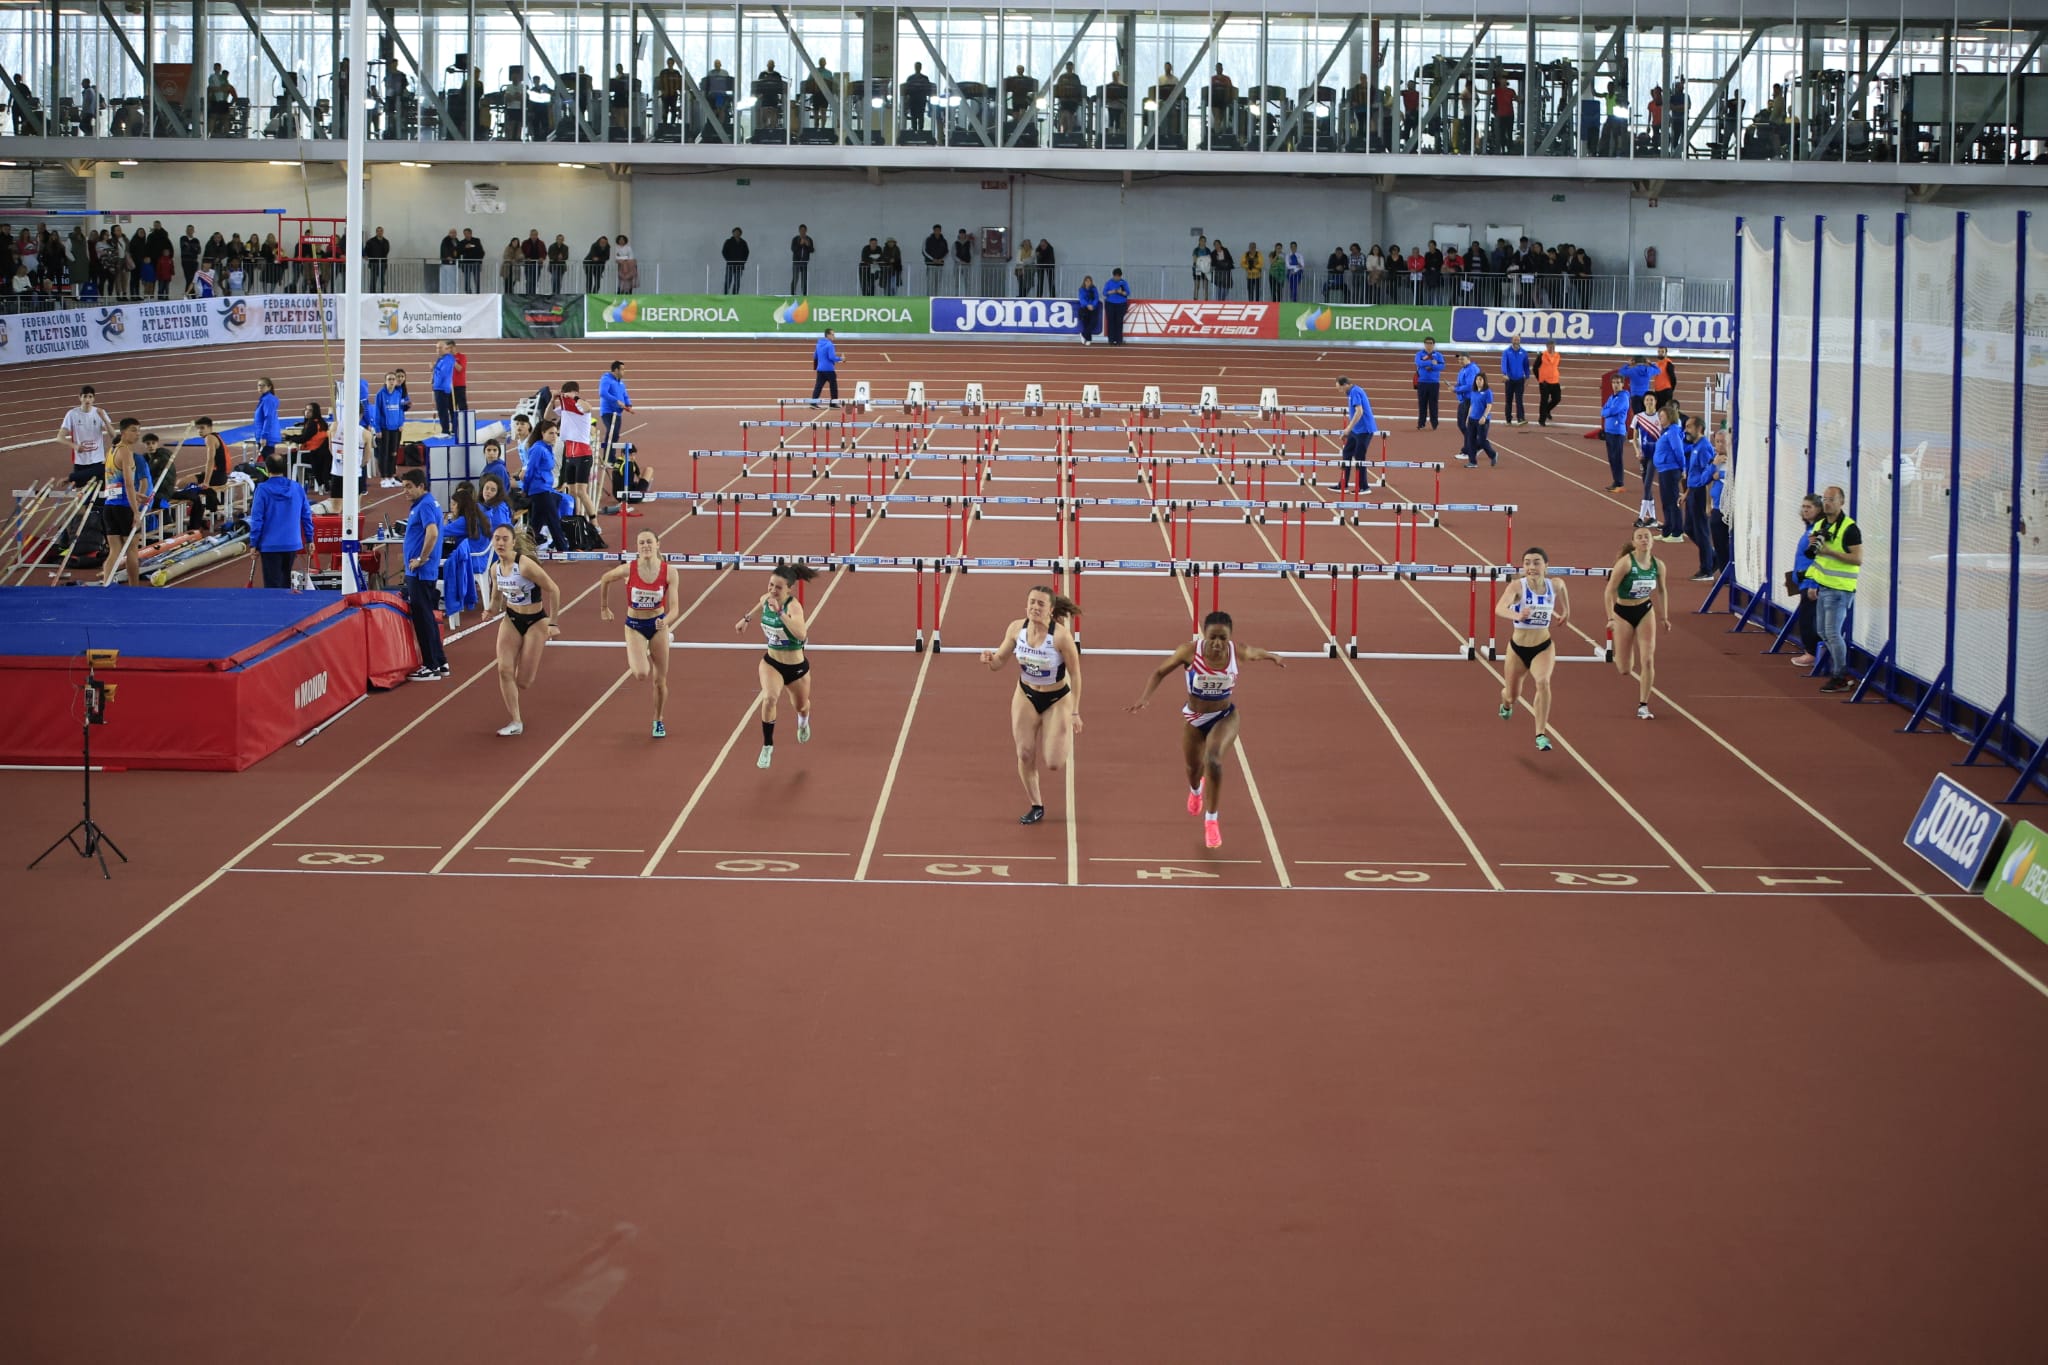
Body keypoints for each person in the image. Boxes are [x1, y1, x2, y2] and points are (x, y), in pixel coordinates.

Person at [1126, 611, 1286, 850]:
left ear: (1230, 637)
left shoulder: (1237, 652)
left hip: (1224, 716)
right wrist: (1145, 698)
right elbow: (1160, 672)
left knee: (1213, 760)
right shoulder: (1189, 652)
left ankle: (1211, 820)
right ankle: (1195, 790)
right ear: (1205, 635)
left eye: (1223, 638)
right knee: (1193, 768)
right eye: (1213, 637)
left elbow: (1256, 652)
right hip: (1194, 719)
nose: (1218, 643)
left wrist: (1273, 656)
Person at [979, 585, 1083, 826]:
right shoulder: (1016, 629)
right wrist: (989, 660)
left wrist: (1075, 711)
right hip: (1026, 694)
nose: (1035, 607)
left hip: (1057, 699)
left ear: (1051, 609)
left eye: (1041, 604)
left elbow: (1076, 675)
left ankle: (1061, 729)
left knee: (1054, 763)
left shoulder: (1061, 637)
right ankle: (1036, 805)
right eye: (1032, 602)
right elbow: (999, 661)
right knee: (1024, 753)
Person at [597, 528, 682, 736]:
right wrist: (604, 607)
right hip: (635, 626)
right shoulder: (629, 569)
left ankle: (658, 720)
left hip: (658, 626)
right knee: (641, 673)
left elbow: (675, 608)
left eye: (649, 542)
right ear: (637, 547)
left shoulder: (669, 572)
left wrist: (665, 621)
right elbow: (605, 578)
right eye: (641, 543)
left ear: (657, 544)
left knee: (660, 681)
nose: (645, 546)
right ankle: (641, 647)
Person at [735, 561, 819, 768]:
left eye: (778, 587)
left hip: (796, 668)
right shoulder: (767, 598)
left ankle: (803, 722)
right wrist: (746, 619)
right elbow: (760, 603)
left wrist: (780, 612)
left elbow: (801, 634)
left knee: (801, 706)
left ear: (789, 589)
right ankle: (767, 746)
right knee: (769, 698)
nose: (773, 590)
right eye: (771, 584)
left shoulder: (793, 606)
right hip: (772, 662)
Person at [1496, 546, 1567, 751]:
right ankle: (1506, 703)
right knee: (1512, 695)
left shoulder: (1554, 584)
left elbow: (1563, 589)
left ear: (1546, 566)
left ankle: (1540, 734)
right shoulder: (1517, 587)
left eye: (1536, 562)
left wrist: (1566, 611)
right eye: (1527, 563)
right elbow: (1499, 608)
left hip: (1543, 647)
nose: (1531, 567)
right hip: (1518, 649)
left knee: (1543, 682)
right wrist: (1517, 615)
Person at [1604, 525, 1671, 720]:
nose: (1644, 540)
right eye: (1640, 537)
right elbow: (1609, 591)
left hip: (1644, 610)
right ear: (1634, 543)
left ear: (1652, 541)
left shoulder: (1658, 565)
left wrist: (1664, 617)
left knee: (1648, 659)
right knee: (1624, 669)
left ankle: (1643, 704)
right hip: (1623, 612)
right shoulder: (1625, 563)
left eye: (1647, 536)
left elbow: (1662, 590)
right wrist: (1610, 617)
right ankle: (1624, 648)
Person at [1808, 483, 1862, 694]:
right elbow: (1816, 556)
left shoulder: (1850, 528)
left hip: (1840, 589)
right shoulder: (1821, 524)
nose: (1827, 503)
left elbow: (1857, 559)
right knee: (1823, 631)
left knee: (1831, 632)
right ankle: (1842, 672)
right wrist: (1813, 582)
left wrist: (1830, 552)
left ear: (1842, 502)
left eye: (1832, 500)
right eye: (1825, 499)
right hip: (1824, 586)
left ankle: (1840, 675)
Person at [400, 470, 449, 681]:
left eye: (409, 486)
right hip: (421, 572)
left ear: (421, 486)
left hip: (419, 572)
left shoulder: (426, 505)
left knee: (423, 619)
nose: (405, 491)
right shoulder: (426, 504)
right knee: (428, 617)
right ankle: (440, 661)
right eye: (404, 487)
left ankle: (430, 666)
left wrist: (421, 558)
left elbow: (433, 532)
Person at [247, 451, 314, 590]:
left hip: (270, 544)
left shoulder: (262, 489)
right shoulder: (296, 487)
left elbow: (257, 518)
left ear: (267, 468)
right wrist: (309, 539)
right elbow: (306, 515)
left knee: (272, 587)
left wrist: (254, 543)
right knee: (285, 583)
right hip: (291, 543)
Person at [98, 418, 147, 587]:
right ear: (123, 432)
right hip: (125, 508)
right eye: (133, 430)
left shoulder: (111, 452)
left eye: (138, 430)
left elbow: (114, 483)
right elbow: (128, 483)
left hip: (110, 506)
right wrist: (136, 511)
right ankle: (134, 589)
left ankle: (106, 585)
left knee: (115, 551)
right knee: (132, 550)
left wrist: (136, 495)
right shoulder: (126, 452)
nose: (137, 434)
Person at [1786, 492, 1825, 669]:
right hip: (1804, 580)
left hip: (1811, 582)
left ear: (1819, 509)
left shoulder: (1818, 531)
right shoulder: (1810, 528)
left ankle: (1811, 653)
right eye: (1803, 506)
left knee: (1808, 618)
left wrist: (1813, 584)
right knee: (1807, 616)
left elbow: (1819, 559)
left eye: (1809, 507)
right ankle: (1812, 652)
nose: (1805, 510)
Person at [552, 380, 597, 519]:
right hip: (570, 454)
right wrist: (553, 399)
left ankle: (594, 522)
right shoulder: (565, 408)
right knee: (571, 492)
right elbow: (550, 416)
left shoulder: (580, 406)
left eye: (568, 394)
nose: (565, 397)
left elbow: (589, 408)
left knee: (581, 492)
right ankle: (575, 519)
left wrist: (575, 397)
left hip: (583, 453)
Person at [1683, 416, 1721, 580]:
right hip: (1693, 491)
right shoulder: (1695, 446)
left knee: (1701, 531)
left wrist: (1708, 503)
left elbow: (1709, 476)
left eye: (1689, 427)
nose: (1686, 430)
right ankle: (1713, 557)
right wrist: (1686, 493)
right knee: (1688, 528)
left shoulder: (1704, 447)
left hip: (1700, 493)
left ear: (1699, 428)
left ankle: (1706, 569)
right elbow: (1695, 473)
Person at [522, 418, 566, 553]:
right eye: (551, 433)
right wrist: (525, 489)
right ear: (542, 433)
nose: (554, 436)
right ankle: (563, 551)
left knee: (536, 523)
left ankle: (525, 549)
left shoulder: (547, 448)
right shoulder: (538, 449)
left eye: (556, 433)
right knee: (554, 520)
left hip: (544, 488)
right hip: (540, 490)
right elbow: (530, 470)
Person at [1651, 409, 1690, 542]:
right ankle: (1667, 530)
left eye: (1662, 416)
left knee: (1672, 501)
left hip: (1670, 470)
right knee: (1666, 501)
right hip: (1664, 470)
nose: (1659, 418)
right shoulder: (1666, 431)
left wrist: (1683, 468)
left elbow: (1678, 450)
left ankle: (1677, 532)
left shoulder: (1673, 431)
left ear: (1670, 417)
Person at [1336, 375, 1378, 497]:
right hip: (1356, 430)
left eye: (1340, 388)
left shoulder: (1355, 392)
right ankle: (1343, 484)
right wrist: (1350, 431)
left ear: (1345, 385)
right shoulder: (1351, 392)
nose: (1339, 390)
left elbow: (1359, 412)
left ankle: (1364, 487)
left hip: (1365, 430)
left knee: (1359, 457)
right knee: (1347, 452)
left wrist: (1348, 429)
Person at [60, 384, 109, 487]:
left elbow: (113, 434)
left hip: (97, 460)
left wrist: (104, 418)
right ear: (80, 398)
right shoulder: (72, 414)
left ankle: (70, 478)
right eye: (85, 396)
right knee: (81, 490)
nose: (87, 399)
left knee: (97, 490)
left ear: (94, 398)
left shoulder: (100, 412)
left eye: (90, 396)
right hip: (80, 461)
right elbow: (60, 437)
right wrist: (75, 446)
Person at [370, 370, 407, 487]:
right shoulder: (380, 394)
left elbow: (401, 410)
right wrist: (377, 429)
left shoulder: (399, 393)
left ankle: (391, 477)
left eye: (393, 379)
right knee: (384, 454)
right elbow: (377, 412)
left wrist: (401, 423)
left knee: (393, 453)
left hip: (395, 428)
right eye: (389, 379)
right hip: (384, 428)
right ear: (385, 381)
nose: (391, 381)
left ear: (396, 381)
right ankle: (384, 478)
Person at [1599, 375, 1632, 493]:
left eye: (1618, 382)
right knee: (1612, 458)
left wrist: (1607, 411)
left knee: (1617, 458)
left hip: (1617, 432)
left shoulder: (1623, 398)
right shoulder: (1611, 397)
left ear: (1622, 384)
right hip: (1609, 431)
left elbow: (1613, 410)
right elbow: (1603, 411)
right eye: (1613, 383)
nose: (1616, 385)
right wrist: (1607, 411)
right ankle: (1616, 481)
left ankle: (1619, 483)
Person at [1461, 373, 1499, 468]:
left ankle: (1493, 455)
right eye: (1477, 379)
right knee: (1470, 441)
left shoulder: (1488, 392)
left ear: (1484, 381)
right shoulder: (1473, 391)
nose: (1478, 381)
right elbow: (1472, 405)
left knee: (1482, 441)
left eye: (1480, 379)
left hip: (1482, 420)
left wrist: (1484, 416)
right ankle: (1472, 462)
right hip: (1472, 419)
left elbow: (1489, 406)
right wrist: (1468, 417)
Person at [598, 358, 633, 449]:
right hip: (608, 412)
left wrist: (629, 405)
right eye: (622, 369)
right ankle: (608, 455)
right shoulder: (606, 379)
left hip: (618, 413)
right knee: (611, 432)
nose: (624, 372)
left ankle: (610, 455)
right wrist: (616, 401)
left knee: (615, 435)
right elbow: (603, 393)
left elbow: (625, 395)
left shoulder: (621, 383)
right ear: (616, 370)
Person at [1413, 337, 1445, 430]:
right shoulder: (1419, 354)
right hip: (1422, 382)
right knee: (1422, 404)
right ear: (1424, 344)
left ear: (1433, 344)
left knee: (1433, 404)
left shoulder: (1438, 355)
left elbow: (1442, 366)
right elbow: (1418, 363)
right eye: (1427, 343)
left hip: (1434, 383)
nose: (1428, 345)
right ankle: (1421, 423)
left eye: (1430, 343)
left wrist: (1432, 367)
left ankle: (1434, 423)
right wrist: (1431, 362)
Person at [1499, 336, 1530, 426]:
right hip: (1509, 380)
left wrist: (1527, 376)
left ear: (1520, 341)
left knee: (1519, 400)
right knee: (1508, 400)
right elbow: (1504, 363)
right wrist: (1504, 374)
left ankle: (1521, 418)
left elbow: (1526, 365)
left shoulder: (1524, 352)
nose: (1516, 341)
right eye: (1515, 340)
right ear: (1512, 341)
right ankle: (1508, 419)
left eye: (1518, 340)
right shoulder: (1506, 352)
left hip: (1520, 380)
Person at [252, 375, 283, 462]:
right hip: (266, 436)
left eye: (263, 385)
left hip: (267, 437)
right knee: (266, 463)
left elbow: (268, 418)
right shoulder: (265, 399)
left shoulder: (268, 400)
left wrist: (264, 436)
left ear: (269, 387)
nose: (260, 387)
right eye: (259, 385)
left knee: (266, 464)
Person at [431, 339, 459, 434]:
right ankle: (449, 429)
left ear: (446, 348)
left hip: (442, 388)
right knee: (443, 410)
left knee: (443, 411)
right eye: (437, 348)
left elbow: (443, 373)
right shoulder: (441, 359)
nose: (438, 350)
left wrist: (434, 368)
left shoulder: (448, 359)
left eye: (440, 348)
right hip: (439, 387)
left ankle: (446, 430)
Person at [1452, 351, 1481, 439]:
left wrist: (1456, 389)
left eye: (1462, 359)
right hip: (1465, 400)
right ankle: (1471, 442)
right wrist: (1456, 386)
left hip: (1469, 400)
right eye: (1459, 359)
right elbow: (1461, 383)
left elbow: (1470, 385)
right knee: (1463, 424)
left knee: (1464, 424)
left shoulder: (1471, 369)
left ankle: (1472, 442)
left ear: (1468, 359)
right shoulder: (1463, 369)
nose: (1460, 361)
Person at [1535, 341, 1563, 427]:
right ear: (1547, 346)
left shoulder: (1557, 355)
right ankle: (1542, 420)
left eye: (1553, 346)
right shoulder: (1542, 355)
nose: (1552, 348)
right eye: (1550, 347)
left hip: (1555, 381)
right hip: (1545, 383)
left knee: (1557, 399)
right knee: (1544, 401)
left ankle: (1547, 410)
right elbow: (1535, 368)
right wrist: (1540, 379)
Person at [811, 327, 841, 406]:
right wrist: (841, 359)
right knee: (833, 387)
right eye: (832, 334)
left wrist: (816, 366)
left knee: (818, 386)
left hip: (820, 369)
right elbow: (831, 357)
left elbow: (815, 356)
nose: (834, 336)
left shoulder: (818, 344)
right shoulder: (830, 345)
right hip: (829, 370)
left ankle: (813, 402)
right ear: (828, 335)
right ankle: (833, 403)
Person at [1102, 269, 1130, 345]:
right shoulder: (1109, 282)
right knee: (1111, 322)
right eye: (1116, 276)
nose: (1117, 278)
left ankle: (1119, 340)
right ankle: (1111, 340)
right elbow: (1104, 293)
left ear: (1121, 276)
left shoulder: (1124, 283)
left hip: (1121, 304)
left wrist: (1121, 292)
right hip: (1110, 304)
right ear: (1113, 275)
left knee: (1119, 322)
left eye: (1119, 276)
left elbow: (1127, 293)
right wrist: (1112, 291)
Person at [1649, 345, 1678, 410]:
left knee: (1666, 410)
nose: (1660, 353)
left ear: (1666, 353)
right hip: (1657, 391)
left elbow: (1673, 378)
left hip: (1666, 391)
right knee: (1658, 410)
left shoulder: (1668, 363)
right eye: (1659, 351)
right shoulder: (1657, 364)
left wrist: (1671, 389)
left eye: (1662, 352)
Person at [721, 227, 749, 293]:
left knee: (737, 281)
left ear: (740, 234)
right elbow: (724, 251)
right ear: (733, 233)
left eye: (738, 232)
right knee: (728, 280)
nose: (737, 233)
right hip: (730, 264)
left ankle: (735, 295)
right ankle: (726, 294)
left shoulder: (743, 242)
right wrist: (728, 260)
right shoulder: (728, 241)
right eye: (735, 232)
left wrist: (743, 261)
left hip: (739, 265)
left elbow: (746, 252)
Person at [922, 224, 948, 294]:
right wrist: (932, 259)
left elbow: (946, 252)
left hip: (939, 265)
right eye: (936, 230)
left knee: (937, 283)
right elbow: (924, 251)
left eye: (938, 230)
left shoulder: (944, 241)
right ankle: (928, 297)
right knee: (930, 283)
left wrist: (941, 259)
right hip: (931, 265)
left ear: (940, 231)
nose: (937, 231)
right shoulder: (928, 239)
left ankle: (935, 297)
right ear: (933, 231)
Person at [790, 223, 815, 293]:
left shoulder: (809, 239)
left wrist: (808, 245)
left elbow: (812, 250)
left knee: (804, 279)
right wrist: (800, 244)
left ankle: (804, 294)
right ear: (799, 231)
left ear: (806, 231)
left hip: (804, 262)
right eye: (801, 230)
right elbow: (793, 249)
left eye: (804, 230)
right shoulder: (795, 239)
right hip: (796, 262)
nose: (802, 232)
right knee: (795, 278)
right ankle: (792, 294)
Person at [1076, 275, 1101, 345]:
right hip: (1084, 308)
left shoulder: (1094, 289)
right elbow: (1082, 299)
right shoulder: (1081, 289)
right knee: (1086, 323)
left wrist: (1092, 305)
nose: (1088, 282)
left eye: (1089, 281)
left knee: (1093, 323)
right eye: (1086, 281)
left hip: (1093, 308)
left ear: (1091, 282)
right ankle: (1088, 339)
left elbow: (1096, 298)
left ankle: (1083, 334)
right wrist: (1087, 305)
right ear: (1084, 282)